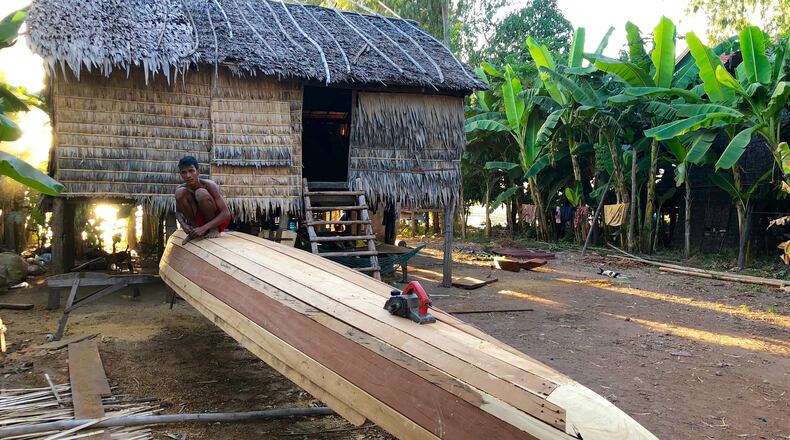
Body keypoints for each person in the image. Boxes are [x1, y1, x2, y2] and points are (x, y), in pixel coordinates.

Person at [174, 156, 231, 243]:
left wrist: (204, 228)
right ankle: (194, 231)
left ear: (198, 172)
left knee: (201, 193)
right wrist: (183, 225)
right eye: (184, 172)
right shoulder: (182, 189)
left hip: (216, 222)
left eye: (191, 171)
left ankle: (213, 230)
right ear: (181, 174)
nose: (188, 176)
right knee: (179, 192)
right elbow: (178, 212)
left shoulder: (209, 185)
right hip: (197, 222)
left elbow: (226, 213)